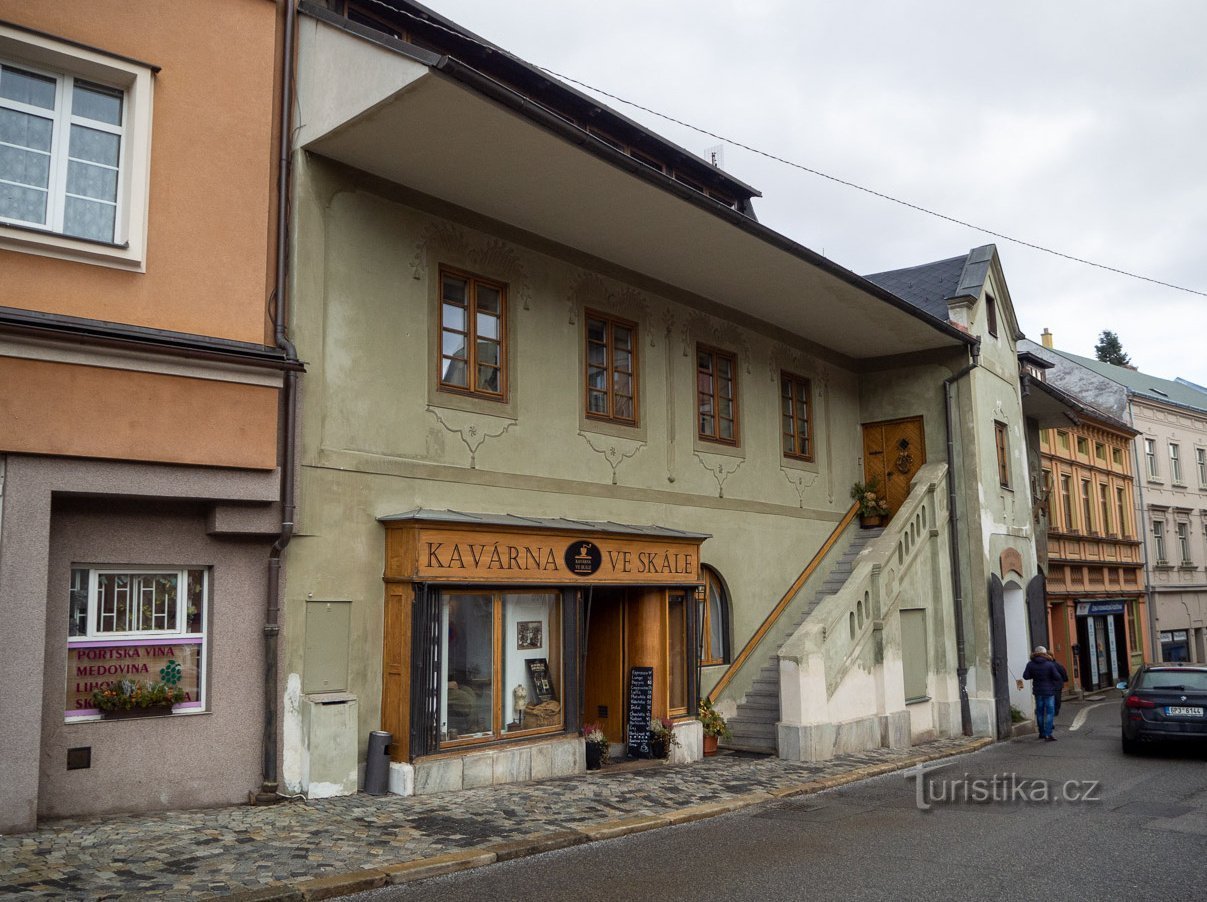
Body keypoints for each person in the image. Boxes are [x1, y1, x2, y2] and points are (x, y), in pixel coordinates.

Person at [1022, 645, 1063, 741]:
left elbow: (1026, 676)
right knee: (1049, 712)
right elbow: (1057, 677)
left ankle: (1041, 733)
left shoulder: (1030, 664)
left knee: (1039, 712)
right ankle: (1048, 734)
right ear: (1045, 653)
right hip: (1049, 691)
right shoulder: (1049, 664)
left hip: (1037, 691)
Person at [1047, 652, 1068, 717]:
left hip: (1055, 685)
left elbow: (1063, 673)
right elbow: (1063, 673)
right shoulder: (1057, 664)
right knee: (1055, 698)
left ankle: (1055, 710)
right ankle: (1054, 710)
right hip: (1054, 684)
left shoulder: (1057, 665)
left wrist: (1064, 680)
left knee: (1056, 698)